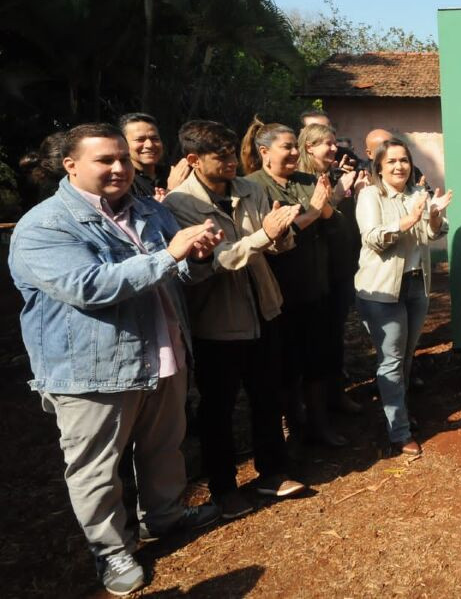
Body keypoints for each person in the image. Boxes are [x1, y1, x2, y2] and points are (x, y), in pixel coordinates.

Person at [7, 123, 223, 596]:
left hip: (163, 352)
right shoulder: (44, 226)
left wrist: (199, 256)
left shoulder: (146, 208)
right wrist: (171, 254)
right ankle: (111, 551)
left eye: (123, 158)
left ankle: (163, 517)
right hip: (92, 372)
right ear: (71, 166)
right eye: (105, 160)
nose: (120, 167)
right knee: (96, 469)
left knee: (163, 446)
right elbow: (88, 287)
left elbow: (182, 273)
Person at [162, 121, 309, 520]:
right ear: (193, 160)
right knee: (219, 408)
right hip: (218, 323)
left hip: (264, 309)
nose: (231, 162)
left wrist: (281, 234)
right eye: (220, 156)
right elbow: (216, 260)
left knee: (268, 395)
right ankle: (224, 488)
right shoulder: (179, 205)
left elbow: (276, 245)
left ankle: (271, 472)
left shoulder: (251, 189)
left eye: (231, 153)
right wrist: (264, 235)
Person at [241, 120, 346, 447]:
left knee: (317, 361)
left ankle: (319, 424)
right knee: (283, 367)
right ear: (264, 152)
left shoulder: (308, 180)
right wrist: (312, 212)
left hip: (315, 288)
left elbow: (335, 225)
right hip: (276, 296)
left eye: (292, 146)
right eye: (285, 146)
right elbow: (271, 235)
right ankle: (291, 427)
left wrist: (322, 210)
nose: (292, 152)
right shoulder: (252, 187)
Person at [355, 138, 451, 457]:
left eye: (404, 160)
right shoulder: (370, 195)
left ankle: (400, 412)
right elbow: (373, 239)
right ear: (379, 168)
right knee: (392, 361)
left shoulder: (417, 194)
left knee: (406, 357)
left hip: (415, 286)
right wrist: (407, 221)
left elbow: (432, 234)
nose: (399, 166)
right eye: (392, 161)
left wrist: (434, 217)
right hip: (382, 290)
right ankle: (398, 431)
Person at [298, 123, 365, 415]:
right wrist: (336, 195)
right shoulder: (300, 180)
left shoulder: (331, 176)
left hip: (337, 272)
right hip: (310, 277)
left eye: (334, 142)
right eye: (327, 143)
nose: (334, 148)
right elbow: (313, 221)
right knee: (312, 345)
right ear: (309, 147)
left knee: (333, 338)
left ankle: (336, 396)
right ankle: (313, 410)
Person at [118, 113, 190, 200]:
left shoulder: (172, 173)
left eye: (154, 139)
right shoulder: (122, 180)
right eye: (140, 140)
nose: (150, 145)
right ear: (123, 143)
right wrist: (171, 191)